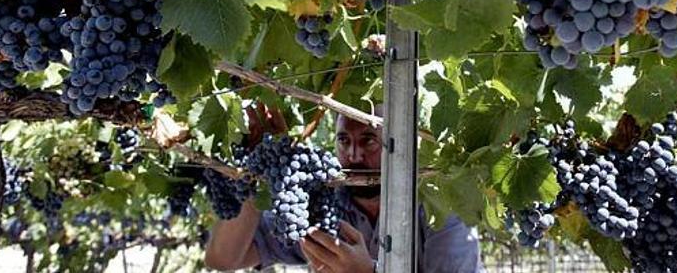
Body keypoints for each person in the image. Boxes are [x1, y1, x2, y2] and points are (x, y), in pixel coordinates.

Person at [204, 104, 485, 273]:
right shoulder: (320, 205)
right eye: (343, 140)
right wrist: (262, 179)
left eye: (368, 141)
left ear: (398, 146)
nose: (353, 154)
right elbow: (223, 259)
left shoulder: (438, 205)